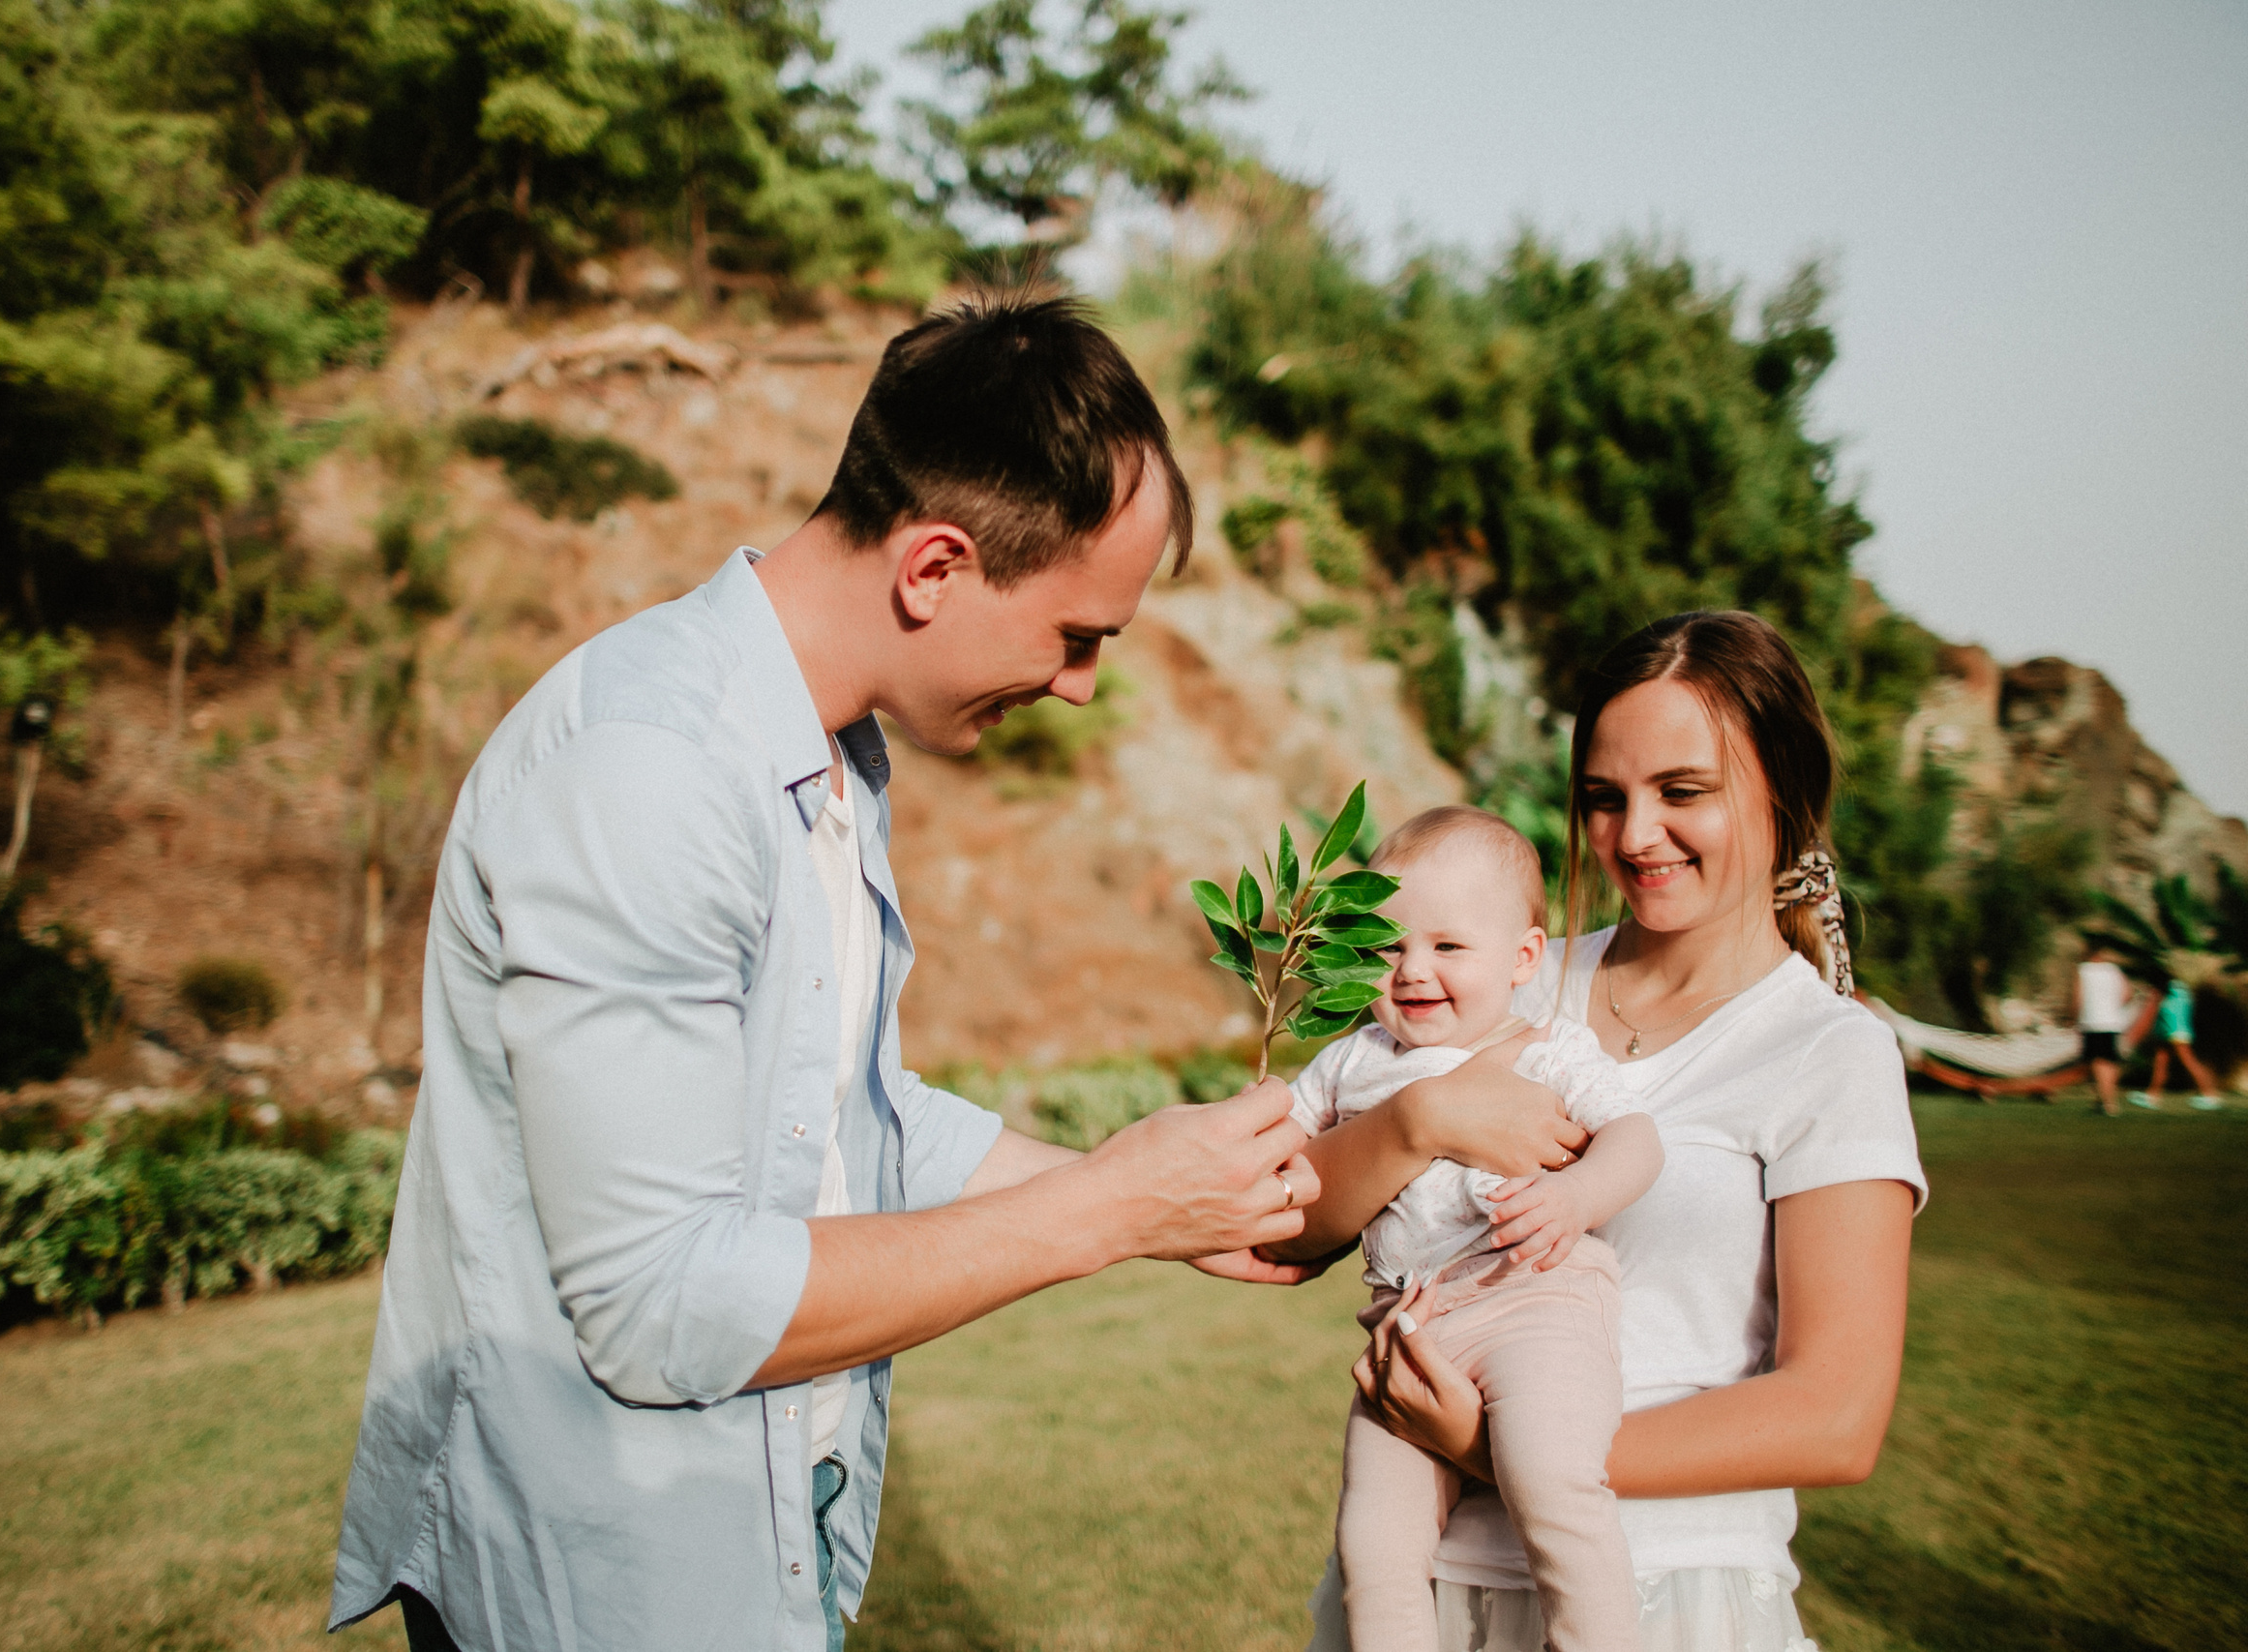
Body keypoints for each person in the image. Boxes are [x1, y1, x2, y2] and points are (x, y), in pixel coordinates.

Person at [327, 296, 1399, 1652]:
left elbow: (849, 1114)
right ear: (936, 567)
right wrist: (1111, 1213)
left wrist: (1145, 1182)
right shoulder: (651, 771)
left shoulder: (828, 757)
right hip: (604, 1574)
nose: (1079, 687)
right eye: (1077, 635)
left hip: (756, 1540)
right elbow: (663, 1301)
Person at [1276, 611, 1927, 1652]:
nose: (1632, 836)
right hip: (1429, 1590)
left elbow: (1834, 1415)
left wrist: (1505, 1451)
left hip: (1667, 1593)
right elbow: (1296, 1231)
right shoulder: (1494, 969)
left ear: (1782, 788)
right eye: (1603, 798)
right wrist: (1420, 1119)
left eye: (1682, 793)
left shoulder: (1826, 1051)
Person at [1287, 806, 1662, 1651]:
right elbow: (1291, 1148)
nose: (1412, 970)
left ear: (1525, 957)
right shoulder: (1354, 1059)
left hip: (1534, 1301)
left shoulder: (1548, 1049)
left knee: (1554, 1481)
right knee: (1373, 1543)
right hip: (1409, 1330)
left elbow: (1638, 1139)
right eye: (1388, 947)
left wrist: (1577, 1197)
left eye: (1448, 946)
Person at [2140, 976, 2224, 1110]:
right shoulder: (2180, 990)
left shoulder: (2170, 993)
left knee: (2189, 1062)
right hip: (2171, 1031)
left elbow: (2167, 1013)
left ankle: (2211, 1095)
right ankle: (2152, 1096)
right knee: (2161, 1063)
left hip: (2175, 1032)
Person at [2073, 942, 2135, 1114]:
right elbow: (2128, 994)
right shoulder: (2115, 971)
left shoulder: (2084, 970)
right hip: (2114, 1021)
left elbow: (2077, 998)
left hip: (2092, 1021)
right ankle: (2102, 1100)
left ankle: (2109, 1102)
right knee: (2110, 1062)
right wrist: (2113, 1008)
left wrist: (2072, 1017)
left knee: (2098, 1061)